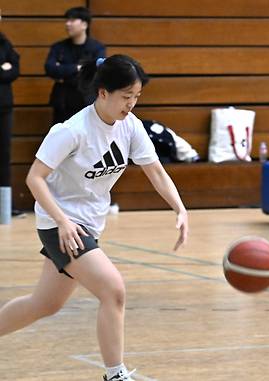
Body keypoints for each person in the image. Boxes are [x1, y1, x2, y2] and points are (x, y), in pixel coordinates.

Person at [0, 55, 189, 381]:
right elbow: (34, 178)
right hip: (62, 225)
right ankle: (115, 374)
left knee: (43, 304)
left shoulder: (130, 126)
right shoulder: (72, 130)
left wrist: (180, 208)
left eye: (136, 97)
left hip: (87, 223)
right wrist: (62, 220)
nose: (131, 104)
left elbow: (155, 171)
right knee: (113, 290)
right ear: (103, 93)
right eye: (125, 97)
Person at [45, 6, 105, 124]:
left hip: (86, 101)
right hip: (63, 102)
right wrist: (77, 68)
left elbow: (97, 72)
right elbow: (50, 68)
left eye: (72, 20)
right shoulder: (58, 47)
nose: (67, 24)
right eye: (67, 20)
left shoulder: (97, 48)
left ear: (84, 24)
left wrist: (63, 72)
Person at [0, 29, 20, 219]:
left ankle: (5, 208)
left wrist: (8, 69)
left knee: (4, 156)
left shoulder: (5, 44)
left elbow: (15, 70)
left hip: (4, 107)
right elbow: (6, 71)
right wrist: (2, 68)